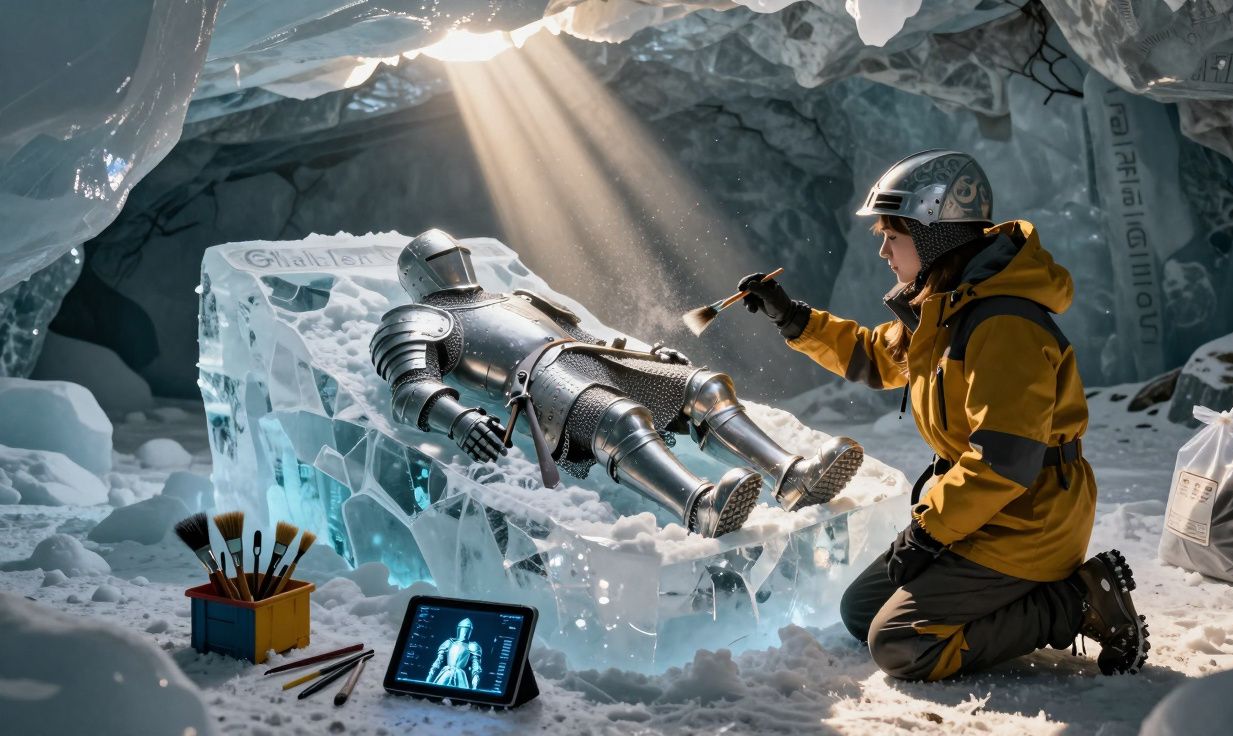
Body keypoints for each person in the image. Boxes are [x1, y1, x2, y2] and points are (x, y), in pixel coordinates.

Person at [737, 149, 1149, 680]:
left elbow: (1004, 464)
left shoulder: (1003, 326)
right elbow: (875, 356)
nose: (884, 251)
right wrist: (792, 318)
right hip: (982, 512)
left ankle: (1075, 602)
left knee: (902, 646)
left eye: (893, 235)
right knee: (860, 613)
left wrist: (927, 532)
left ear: (934, 237)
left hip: (1028, 521)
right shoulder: (946, 308)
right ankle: (1019, 597)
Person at [370, 229, 864, 538]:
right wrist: (456, 420)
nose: (451, 264)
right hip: (540, 381)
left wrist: (647, 354)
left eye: (453, 254)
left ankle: (790, 476)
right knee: (618, 419)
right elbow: (410, 386)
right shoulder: (414, 318)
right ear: (418, 277)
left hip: (591, 356)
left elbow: (584, 333)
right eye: (439, 261)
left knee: (703, 386)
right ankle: (700, 507)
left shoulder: (515, 297)